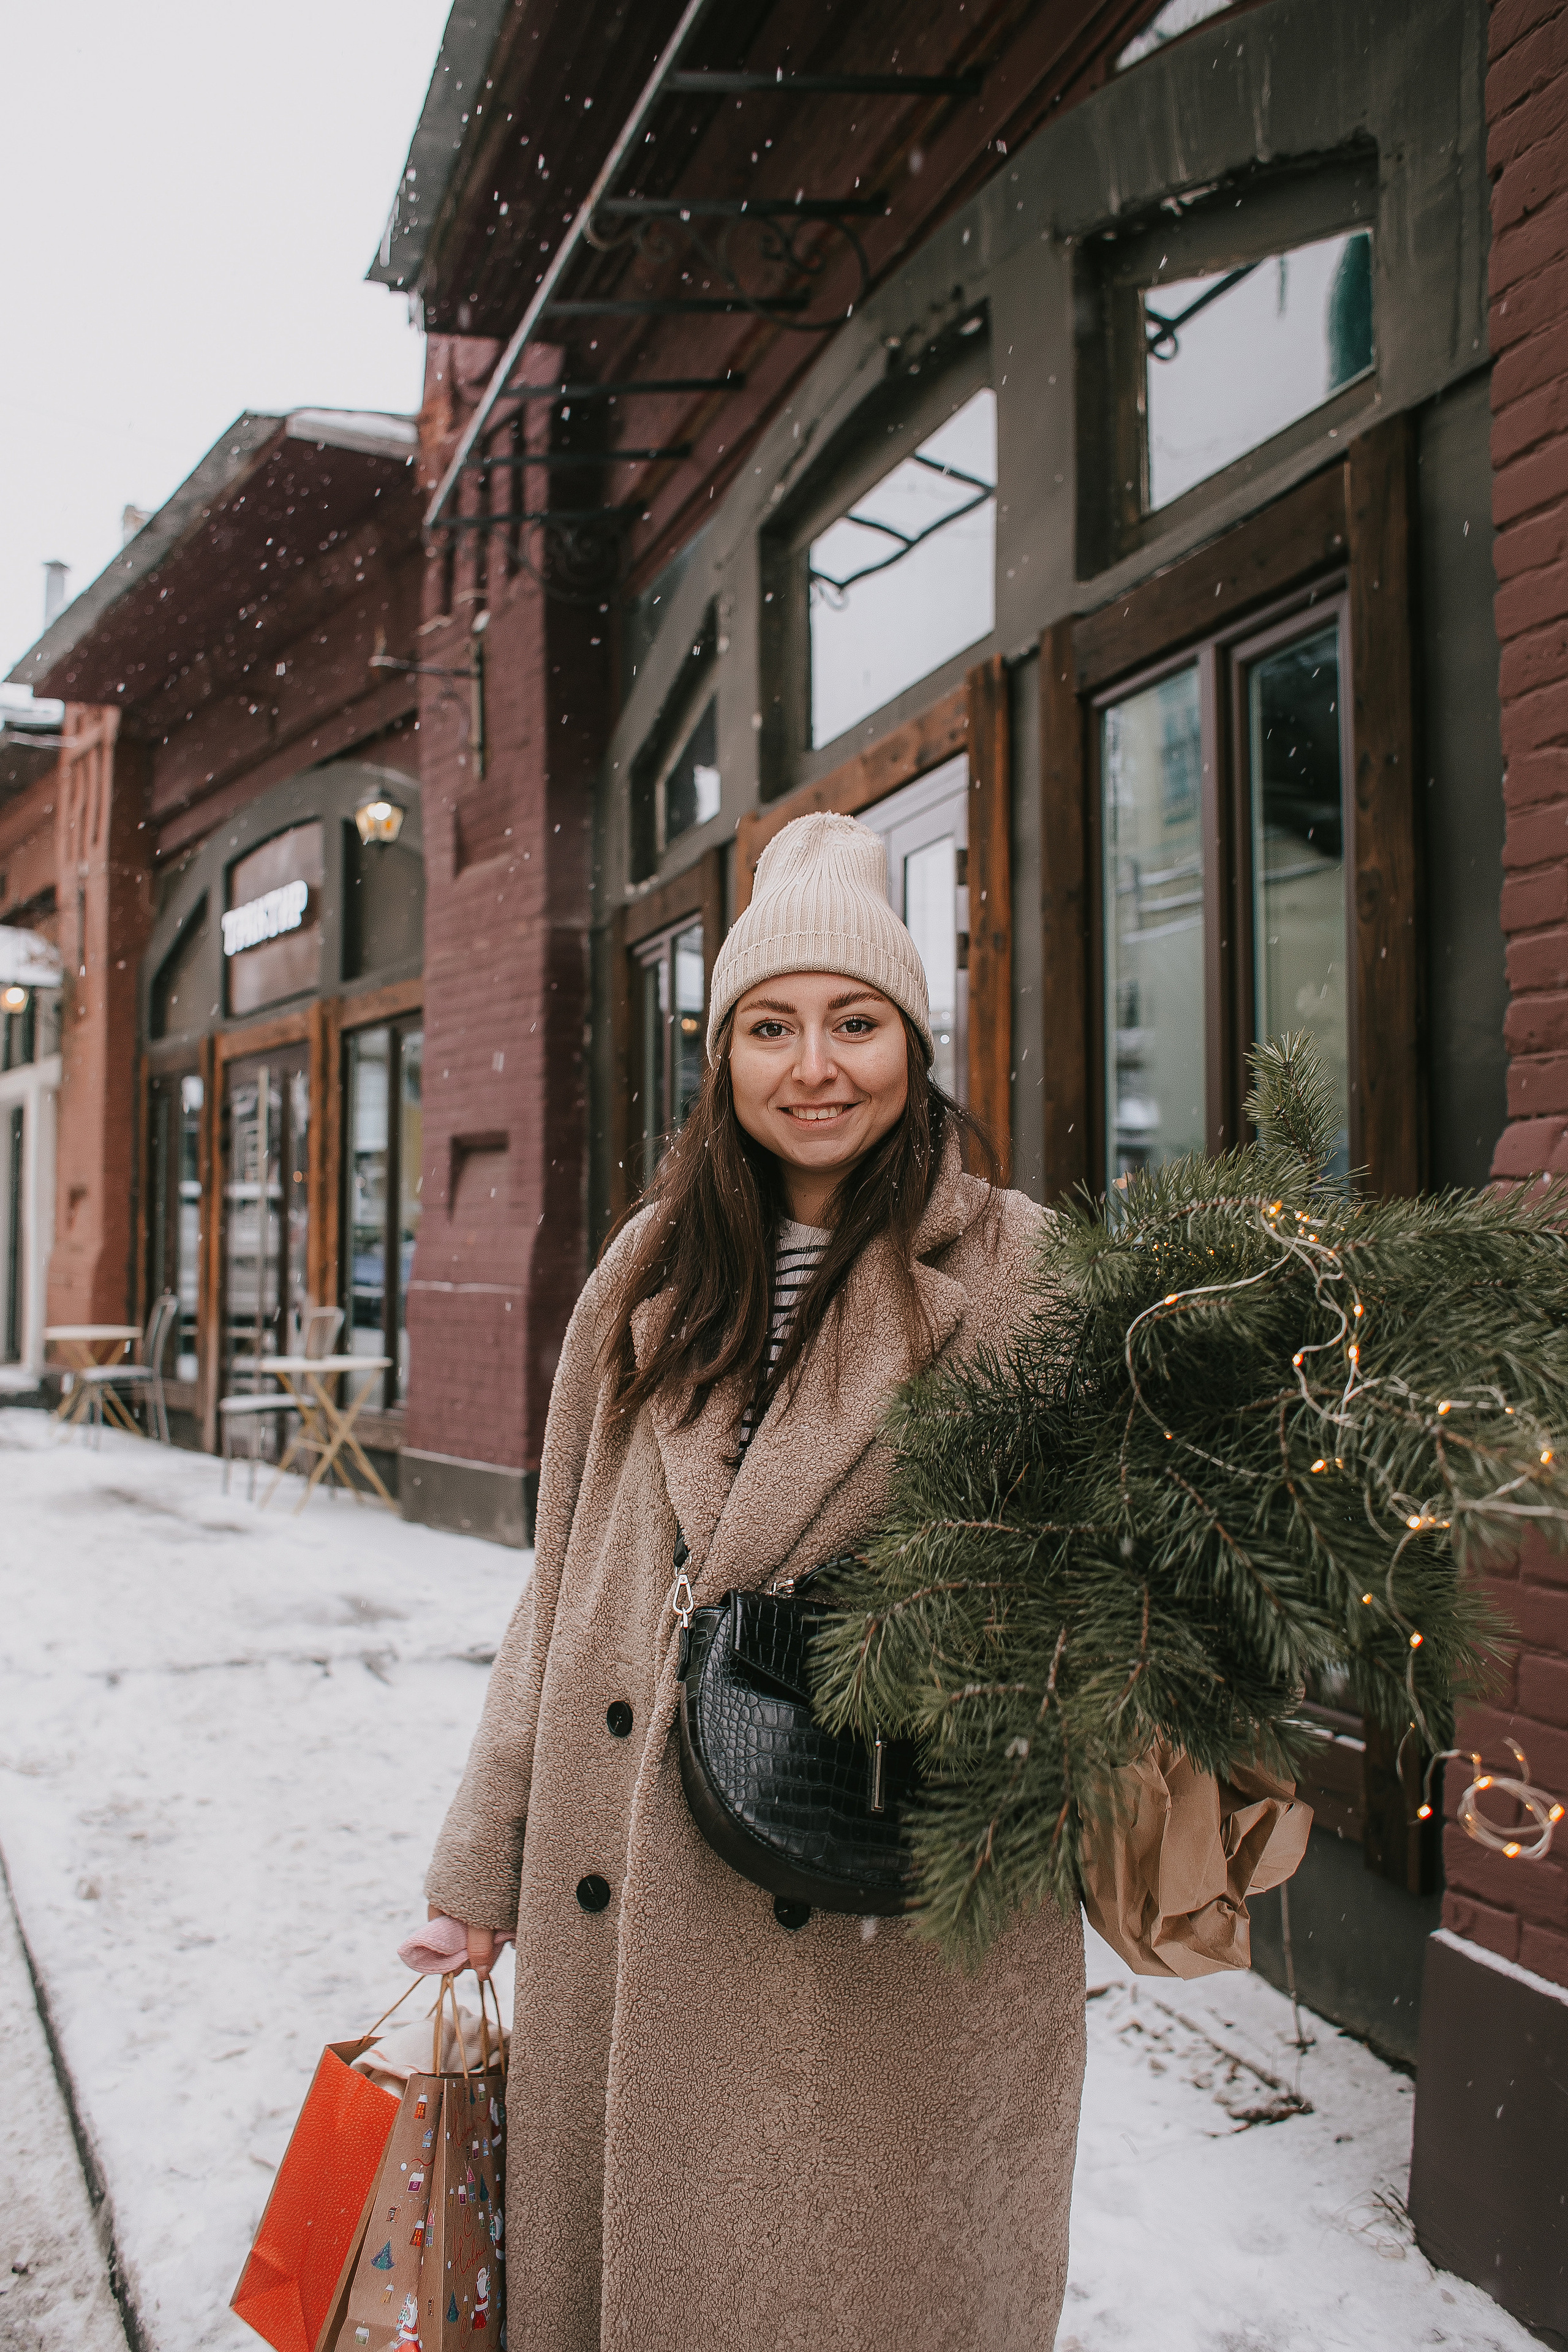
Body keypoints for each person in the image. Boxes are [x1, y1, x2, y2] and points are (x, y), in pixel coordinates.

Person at [422, 812, 1086, 2352]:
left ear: (911, 1049)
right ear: (721, 1058)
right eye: (769, 1028)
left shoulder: (1021, 1270)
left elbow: (1087, 1577)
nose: (814, 1066)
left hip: (869, 1882)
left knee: (837, 2286)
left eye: (853, 1024)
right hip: (631, 1879)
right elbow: (562, 1578)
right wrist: (478, 1866)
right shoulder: (649, 1270)